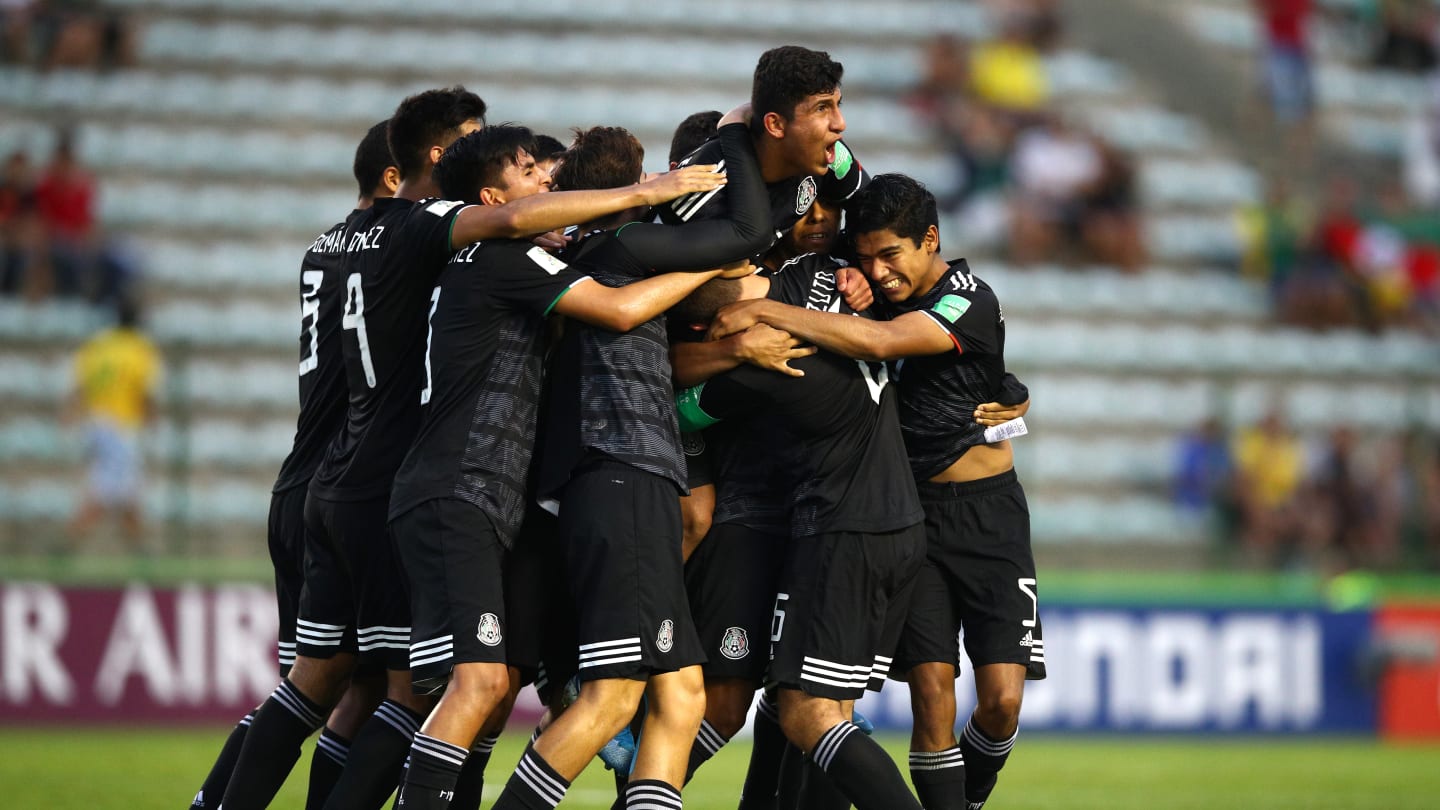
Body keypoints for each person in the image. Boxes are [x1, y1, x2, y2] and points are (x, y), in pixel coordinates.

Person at [218, 85, 727, 810]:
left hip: (376, 480)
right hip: (444, 487)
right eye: (529, 171)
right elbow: (607, 303)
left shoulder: (359, 245)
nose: (546, 188)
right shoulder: (478, 249)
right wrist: (677, 217)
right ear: (477, 189)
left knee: (362, 684)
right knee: (442, 686)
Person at [387, 122, 760, 810]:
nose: (543, 185)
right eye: (531, 172)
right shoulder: (531, 253)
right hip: (579, 478)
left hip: (537, 488)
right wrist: (695, 235)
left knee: (680, 696)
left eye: (551, 176)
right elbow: (620, 308)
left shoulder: (531, 260)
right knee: (574, 694)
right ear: (494, 197)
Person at [709, 174, 1039, 810]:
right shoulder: (871, 300)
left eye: (891, 255)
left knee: (1000, 701)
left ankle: (971, 792)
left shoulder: (967, 297)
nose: (878, 272)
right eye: (866, 258)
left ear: (930, 241)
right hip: (911, 513)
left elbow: (887, 344)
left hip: (988, 513)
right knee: (932, 693)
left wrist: (766, 309)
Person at [489, 113, 771, 810]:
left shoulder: (590, 252)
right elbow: (747, 233)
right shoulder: (622, 244)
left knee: (681, 697)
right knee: (615, 698)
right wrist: (735, 138)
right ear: (634, 185)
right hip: (620, 473)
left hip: (622, 477)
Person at [188, 119, 400, 810]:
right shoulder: (392, 245)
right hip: (348, 480)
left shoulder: (325, 247)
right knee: (342, 683)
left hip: (304, 476)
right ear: (394, 178)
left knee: (335, 683)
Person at [673, 274, 929, 810]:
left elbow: (675, 405)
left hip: (840, 534)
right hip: (891, 524)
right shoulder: (844, 325)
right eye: (749, 278)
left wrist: (730, 351)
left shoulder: (777, 360)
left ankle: (645, 788)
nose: (761, 275)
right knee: (820, 708)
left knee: (806, 713)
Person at [64, 295, 161, 548]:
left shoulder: (98, 346)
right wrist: (152, 421)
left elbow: (80, 387)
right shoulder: (138, 349)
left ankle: (139, 551)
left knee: (128, 490)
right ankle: (69, 542)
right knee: (109, 491)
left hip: (96, 423)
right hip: (121, 425)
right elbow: (144, 393)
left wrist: (70, 415)